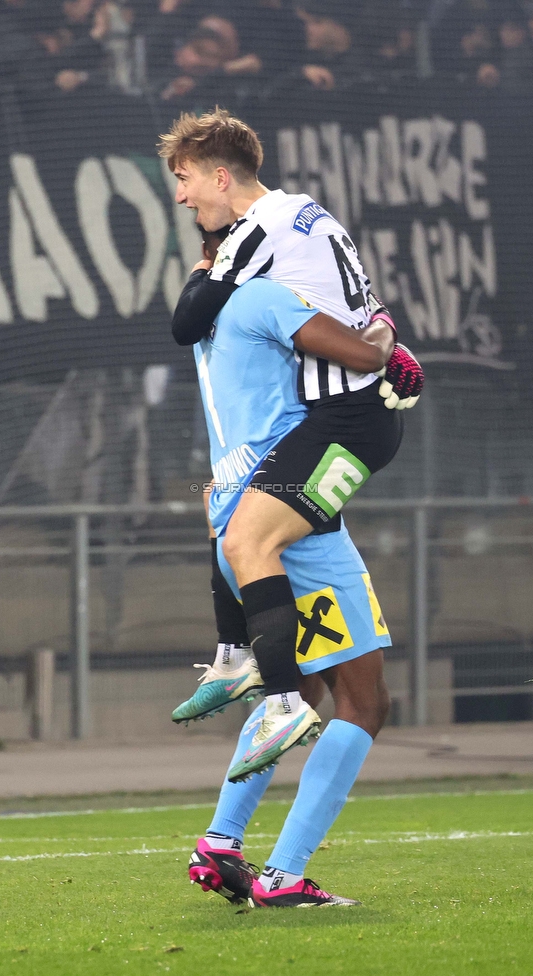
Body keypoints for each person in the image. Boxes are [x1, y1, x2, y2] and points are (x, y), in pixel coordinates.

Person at [158, 109, 423, 779]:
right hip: (340, 418)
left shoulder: (256, 232)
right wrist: (388, 336)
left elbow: (188, 321)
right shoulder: (306, 213)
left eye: (185, 180)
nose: (182, 195)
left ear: (222, 177)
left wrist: (380, 348)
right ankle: (244, 661)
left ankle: (279, 698)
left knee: (248, 540)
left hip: (348, 423)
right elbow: (367, 303)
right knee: (229, 517)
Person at [185, 234, 394, 907]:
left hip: (233, 504)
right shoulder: (270, 297)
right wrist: (386, 328)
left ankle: (221, 841)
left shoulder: (209, 317)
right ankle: (285, 875)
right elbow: (361, 357)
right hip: (290, 522)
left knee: (302, 688)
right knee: (363, 700)